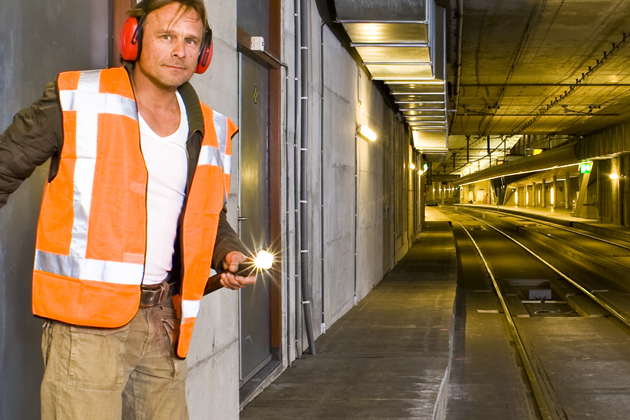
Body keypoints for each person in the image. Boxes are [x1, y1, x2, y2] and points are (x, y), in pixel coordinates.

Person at [0, 0, 255, 418]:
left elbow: (207, 216)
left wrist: (228, 252)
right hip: (87, 329)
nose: (179, 51)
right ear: (133, 38)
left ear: (204, 52)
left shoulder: (209, 128)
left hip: (163, 325)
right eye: (167, 36)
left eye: (191, 41)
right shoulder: (79, 98)